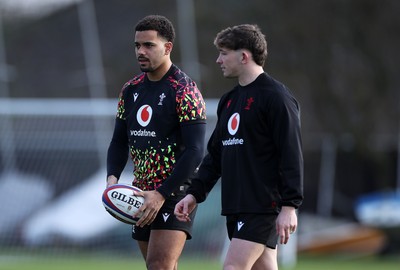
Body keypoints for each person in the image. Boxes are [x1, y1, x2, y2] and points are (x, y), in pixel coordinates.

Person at [174, 24, 303, 270]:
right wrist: (194, 194)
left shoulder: (276, 98)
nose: (218, 59)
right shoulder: (229, 101)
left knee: (233, 267)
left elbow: (291, 153)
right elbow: (215, 156)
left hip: (263, 205)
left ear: (243, 56)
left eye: (224, 53)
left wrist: (289, 206)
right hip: (236, 205)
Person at [106, 15, 206, 270]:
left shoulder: (184, 90)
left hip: (175, 192)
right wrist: (112, 182)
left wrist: (162, 193)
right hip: (140, 193)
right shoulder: (130, 90)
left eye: (149, 45)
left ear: (167, 47)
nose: (141, 51)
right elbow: (119, 142)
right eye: (137, 45)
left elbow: (195, 151)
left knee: (159, 265)